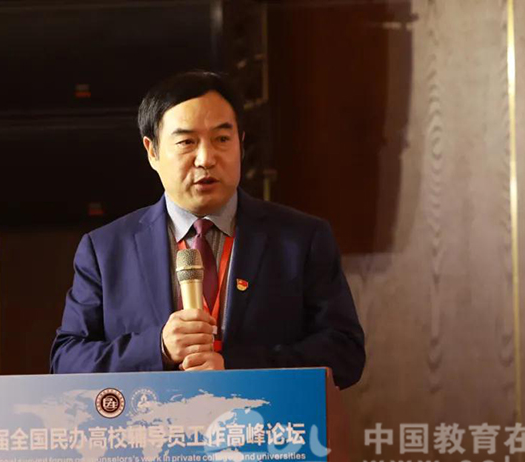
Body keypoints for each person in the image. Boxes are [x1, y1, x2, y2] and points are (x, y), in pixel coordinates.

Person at [50, 71, 365, 389]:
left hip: (262, 417)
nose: (206, 158)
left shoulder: (301, 239)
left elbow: (345, 353)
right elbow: (66, 361)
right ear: (152, 151)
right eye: (187, 142)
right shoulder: (106, 249)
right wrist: (157, 348)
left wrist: (236, 368)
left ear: (241, 144)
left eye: (222, 139)